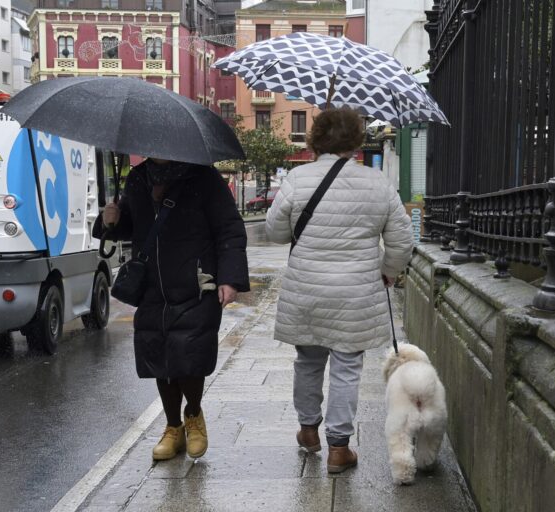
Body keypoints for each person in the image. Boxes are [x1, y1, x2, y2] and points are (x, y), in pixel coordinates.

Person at [265, 107, 414, 474]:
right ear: (356, 140)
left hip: (307, 291)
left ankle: (308, 430)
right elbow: (401, 240)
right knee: (348, 367)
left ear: (316, 138)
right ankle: (338, 448)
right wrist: (388, 273)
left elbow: (275, 232)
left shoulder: (298, 178)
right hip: (356, 294)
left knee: (309, 361)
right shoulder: (376, 182)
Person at [94, 157, 250, 461]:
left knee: (189, 351)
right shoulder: (139, 178)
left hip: (196, 281)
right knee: (158, 353)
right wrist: (110, 221)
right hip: (152, 284)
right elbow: (131, 226)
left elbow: (229, 228)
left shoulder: (203, 176)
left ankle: (193, 416)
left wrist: (230, 279)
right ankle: (173, 426)